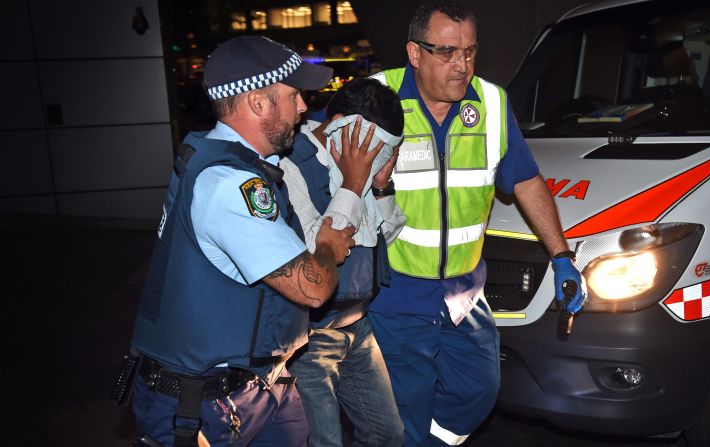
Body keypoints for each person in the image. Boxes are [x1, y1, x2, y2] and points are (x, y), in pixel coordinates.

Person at [123, 36, 375, 447]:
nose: (303, 108)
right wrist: (328, 243)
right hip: (205, 407)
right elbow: (312, 287)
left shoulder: (239, 166)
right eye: (293, 96)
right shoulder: (229, 185)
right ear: (258, 103)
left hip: (259, 387)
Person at [368, 2, 587, 445]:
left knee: (478, 391)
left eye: (469, 52)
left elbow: (525, 180)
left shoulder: (490, 102)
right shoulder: (376, 98)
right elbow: (323, 169)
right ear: (414, 53)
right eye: (447, 52)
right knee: (404, 410)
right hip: (396, 293)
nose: (461, 65)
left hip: (464, 292)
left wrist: (562, 255)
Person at [281, 78, 405, 447]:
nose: (376, 158)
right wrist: (353, 184)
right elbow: (313, 249)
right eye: (373, 148)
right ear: (338, 125)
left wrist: (380, 186)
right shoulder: (291, 164)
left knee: (387, 435)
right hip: (310, 337)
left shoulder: (363, 170)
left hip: (358, 327)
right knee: (324, 441)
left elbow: (390, 234)